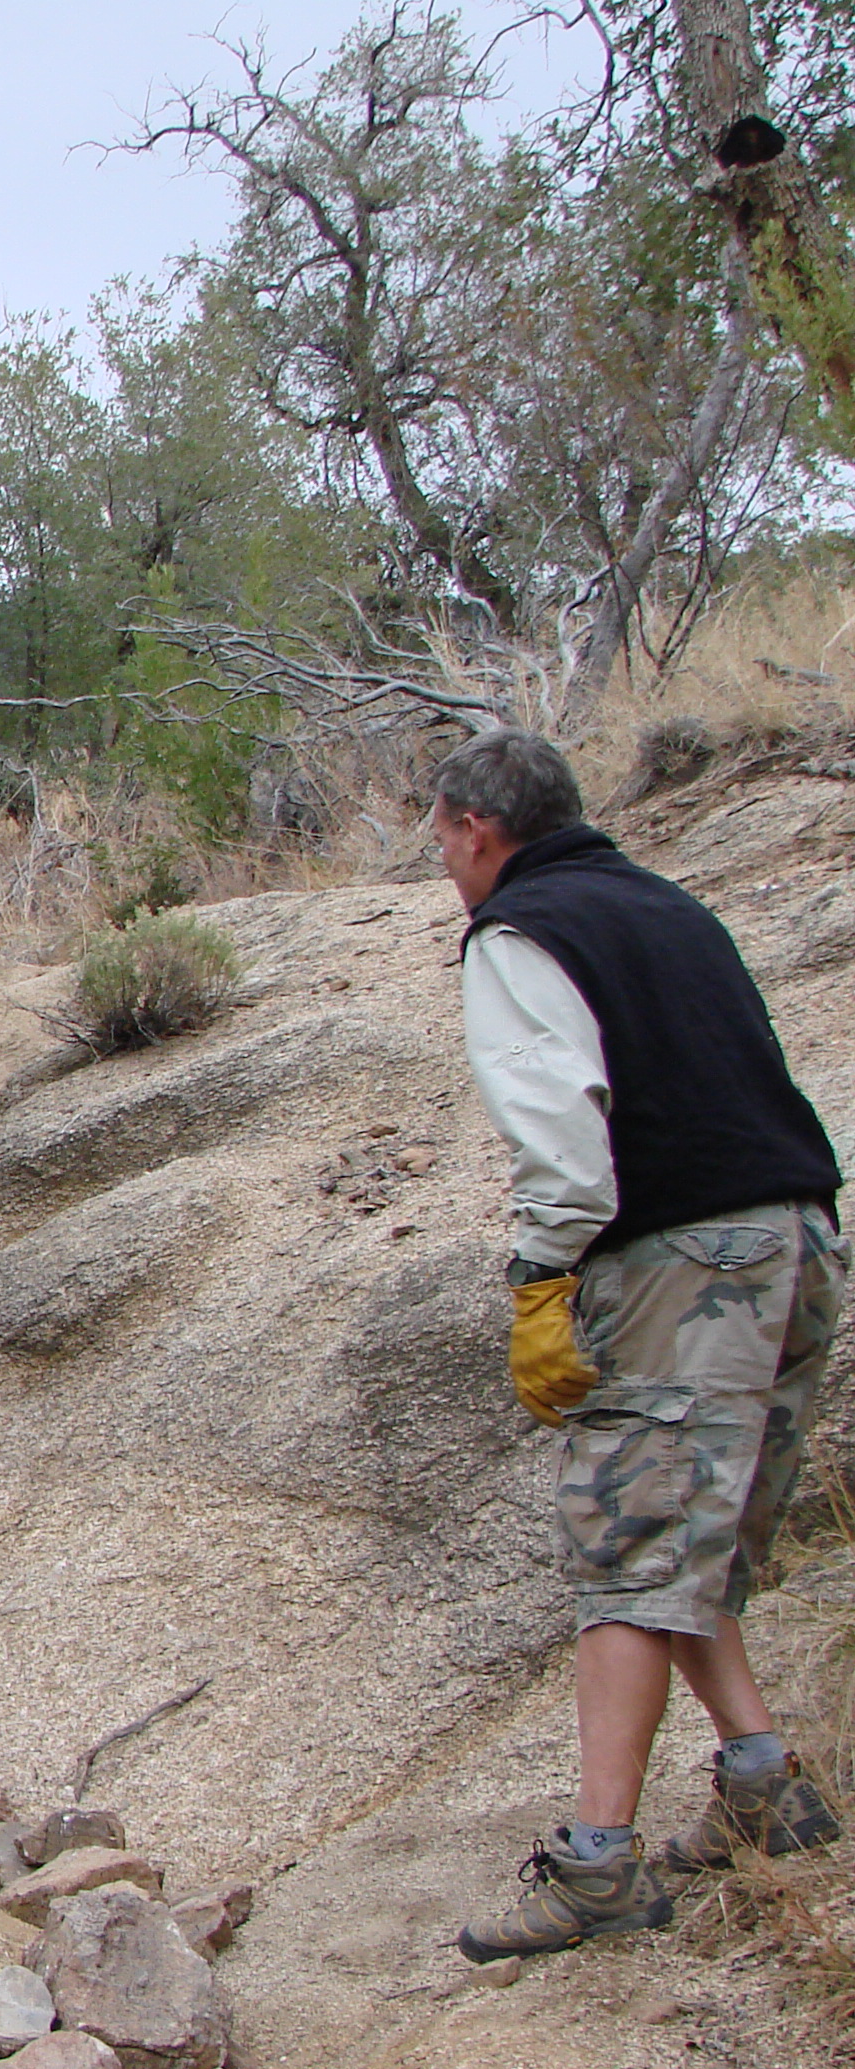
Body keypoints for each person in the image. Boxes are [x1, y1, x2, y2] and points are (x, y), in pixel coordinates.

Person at [434, 727, 844, 1963]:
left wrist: (540, 1279)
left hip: (683, 1259)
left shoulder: (521, 931)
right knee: (687, 1534)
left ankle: (600, 1865)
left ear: (477, 830)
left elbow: (564, 1133)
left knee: (626, 1549)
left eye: (443, 839)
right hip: (800, 1238)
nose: (445, 862)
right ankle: (763, 1783)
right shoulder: (671, 905)